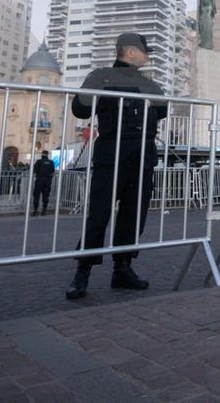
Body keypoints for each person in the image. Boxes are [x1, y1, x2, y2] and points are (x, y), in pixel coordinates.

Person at [65, 32, 170, 300]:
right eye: (144, 52)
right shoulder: (102, 76)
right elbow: (81, 110)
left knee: (134, 214)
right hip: (113, 151)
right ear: (130, 51)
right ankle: (83, 272)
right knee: (99, 214)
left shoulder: (122, 80)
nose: (147, 57)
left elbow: (162, 110)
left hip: (140, 153)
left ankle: (122, 269)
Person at [31, 150, 55, 216]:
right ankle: (44, 211)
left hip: (39, 181)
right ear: (47, 154)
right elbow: (53, 172)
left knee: (36, 196)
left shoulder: (39, 161)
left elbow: (34, 171)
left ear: (42, 154)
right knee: (46, 196)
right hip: (47, 182)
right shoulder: (51, 162)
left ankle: (35, 211)